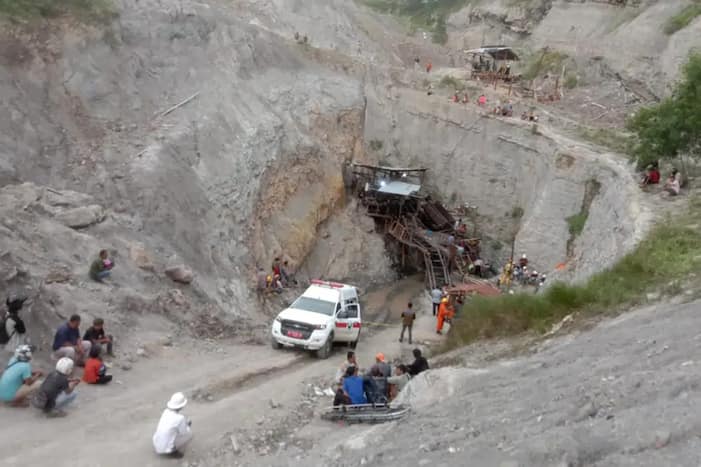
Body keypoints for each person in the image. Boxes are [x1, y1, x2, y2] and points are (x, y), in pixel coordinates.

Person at [153, 392, 193, 459]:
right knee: (190, 434)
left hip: (156, 442)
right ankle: (172, 451)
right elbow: (184, 432)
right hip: (165, 449)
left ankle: (166, 446)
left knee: (171, 432)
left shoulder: (165, 411)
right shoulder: (180, 418)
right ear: (182, 406)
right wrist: (188, 425)